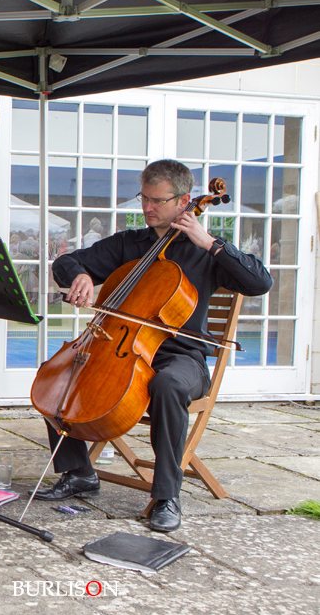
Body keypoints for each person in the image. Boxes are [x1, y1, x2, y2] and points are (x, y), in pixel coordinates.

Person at [37, 159, 272, 532]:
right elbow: (67, 261)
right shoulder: (131, 243)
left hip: (182, 357)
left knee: (167, 385)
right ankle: (79, 472)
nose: (147, 207)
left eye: (158, 201)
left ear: (185, 202)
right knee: (61, 372)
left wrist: (210, 242)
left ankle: (166, 496)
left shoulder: (204, 252)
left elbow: (260, 282)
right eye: (144, 198)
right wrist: (79, 275)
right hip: (120, 346)